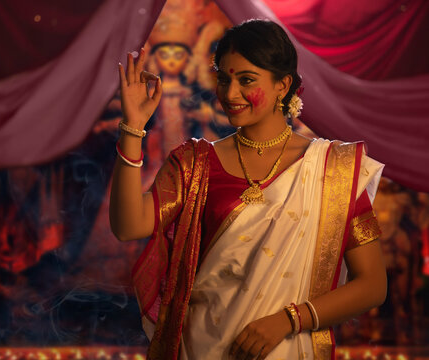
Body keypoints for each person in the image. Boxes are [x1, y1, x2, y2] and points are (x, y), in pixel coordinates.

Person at [110, 19, 387, 360]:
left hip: (286, 347)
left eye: (246, 80)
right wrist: (133, 128)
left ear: (283, 85)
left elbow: (372, 285)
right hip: (202, 348)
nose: (230, 94)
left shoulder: (333, 171)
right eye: (224, 79)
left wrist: (288, 320)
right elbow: (128, 226)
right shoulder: (196, 163)